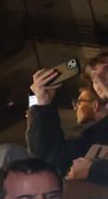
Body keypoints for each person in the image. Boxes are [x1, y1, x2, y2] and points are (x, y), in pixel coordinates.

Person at [27, 54, 108, 183]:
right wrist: (41, 104)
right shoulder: (94, 138)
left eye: (106, 71)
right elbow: (50, 159)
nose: (99, 78)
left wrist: (94, 170)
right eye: (95, 77)